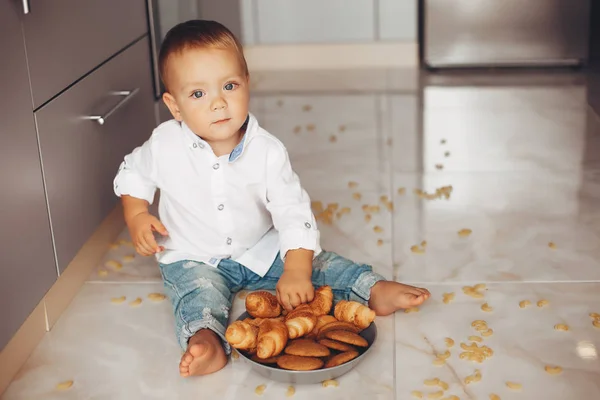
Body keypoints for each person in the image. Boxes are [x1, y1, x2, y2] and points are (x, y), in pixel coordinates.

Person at [113, 19, 430, 377]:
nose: (218, 103)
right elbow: (133, 172)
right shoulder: (164, 144)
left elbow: (292, 210)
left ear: (247, 84)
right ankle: (207, 341)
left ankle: (371, 290)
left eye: (229, 86)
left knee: (318, 267)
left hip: (259, 247)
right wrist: (136, 213)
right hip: (193, 254)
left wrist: (295, 268)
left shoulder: (267, 152)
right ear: (174, 106)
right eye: (198, 94)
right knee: (195, 296)